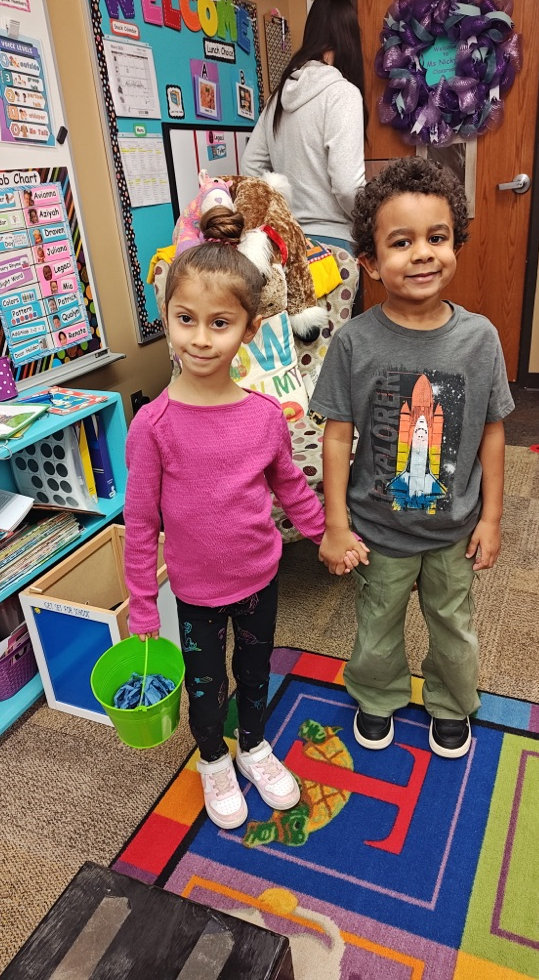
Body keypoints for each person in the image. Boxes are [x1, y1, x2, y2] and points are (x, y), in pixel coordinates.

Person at [124, 206, 367, 830]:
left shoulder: (264, 418)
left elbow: (291, 488)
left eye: (220, 323)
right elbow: (140, 522)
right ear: (168, 318)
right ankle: (212, 759)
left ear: (249, 331)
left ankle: (253, 744)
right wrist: (144, 605)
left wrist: (327, 536)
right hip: (195, 591)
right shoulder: (152, 425)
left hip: (260, 579)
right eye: (186, 320)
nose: (200, 338)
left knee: (254, 674)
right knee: (204, 688)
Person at [309, 157, 515, 759]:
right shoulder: (353, 342)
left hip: (454, 528)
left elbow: (492, 434)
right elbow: (338, 437)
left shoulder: (480, 339)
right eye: (401, 243)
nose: (422, 253)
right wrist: (337, 524)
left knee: (453, 628)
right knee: (376, 626)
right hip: (378, 530)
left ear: (457, 243)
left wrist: (493, 518)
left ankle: (452, 704)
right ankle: (378, 697)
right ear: (370, 263)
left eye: (437, 237)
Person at [240, 0, 366, 255]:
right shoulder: (342, 93)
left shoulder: (278, 98)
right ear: (349, 38)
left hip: (285, 242)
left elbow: (250, 166)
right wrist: (370, 221)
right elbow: (346, 187)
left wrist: (281, 212)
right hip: (334, 246)